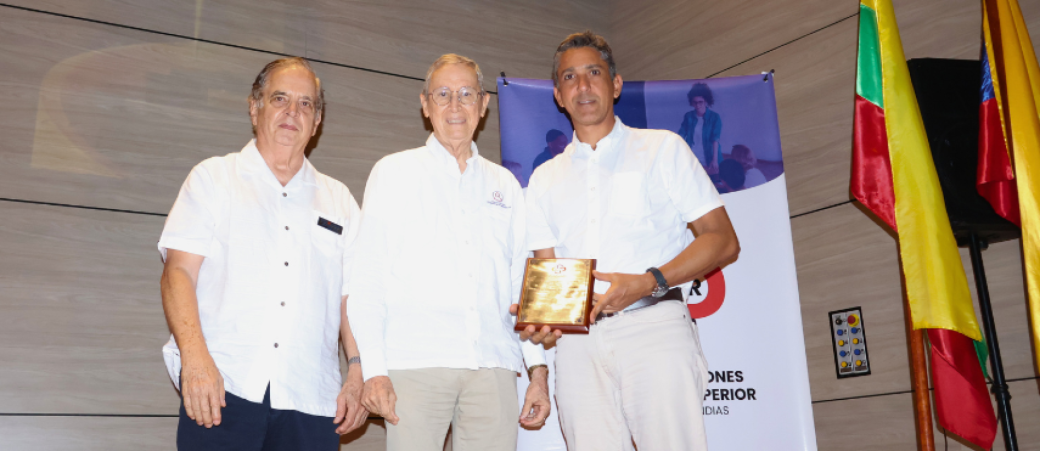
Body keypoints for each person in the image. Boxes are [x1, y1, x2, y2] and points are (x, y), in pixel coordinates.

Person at [515, 31, 740, 450]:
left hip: (655, 327)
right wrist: (542, 322)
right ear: (559, 96)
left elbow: (723, 240)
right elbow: (551, 276)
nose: (583, 86)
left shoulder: (662, 149)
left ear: (615, 84)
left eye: (594, 73)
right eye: (569, 77)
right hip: (579, 347)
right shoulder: (543, 178)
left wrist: (649, 281)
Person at [158, 57, 367, 451]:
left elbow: (351, 300)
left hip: (311, 399)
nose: (293, 112)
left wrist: (358, 373)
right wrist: (195, 359)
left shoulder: (340, 200)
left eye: (306, 104)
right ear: (254, 108)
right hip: (222, 388)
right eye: (280, 99)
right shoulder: (213, 178)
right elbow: (178, 273)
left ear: (317, 121)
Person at [347, 54, 550, 451]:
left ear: (483, 104)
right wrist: (374, 371)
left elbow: (519, 285)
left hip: (494, 365)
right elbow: (367, 280)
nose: (455, 105)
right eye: (443, 94)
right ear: (425, 105)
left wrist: (538, 371)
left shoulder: (506, 185)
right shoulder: (393, 173)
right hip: (415, 364)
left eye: (466, 94)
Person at [678, 82, 723, 174]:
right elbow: (681, 134)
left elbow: (715, 139)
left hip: (709, 156)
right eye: (695, 102)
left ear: (706, 101)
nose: (697, 105)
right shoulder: (688, 116)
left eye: (700, 102)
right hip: (692, 156)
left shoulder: (715, 117)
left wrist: (714, 160)